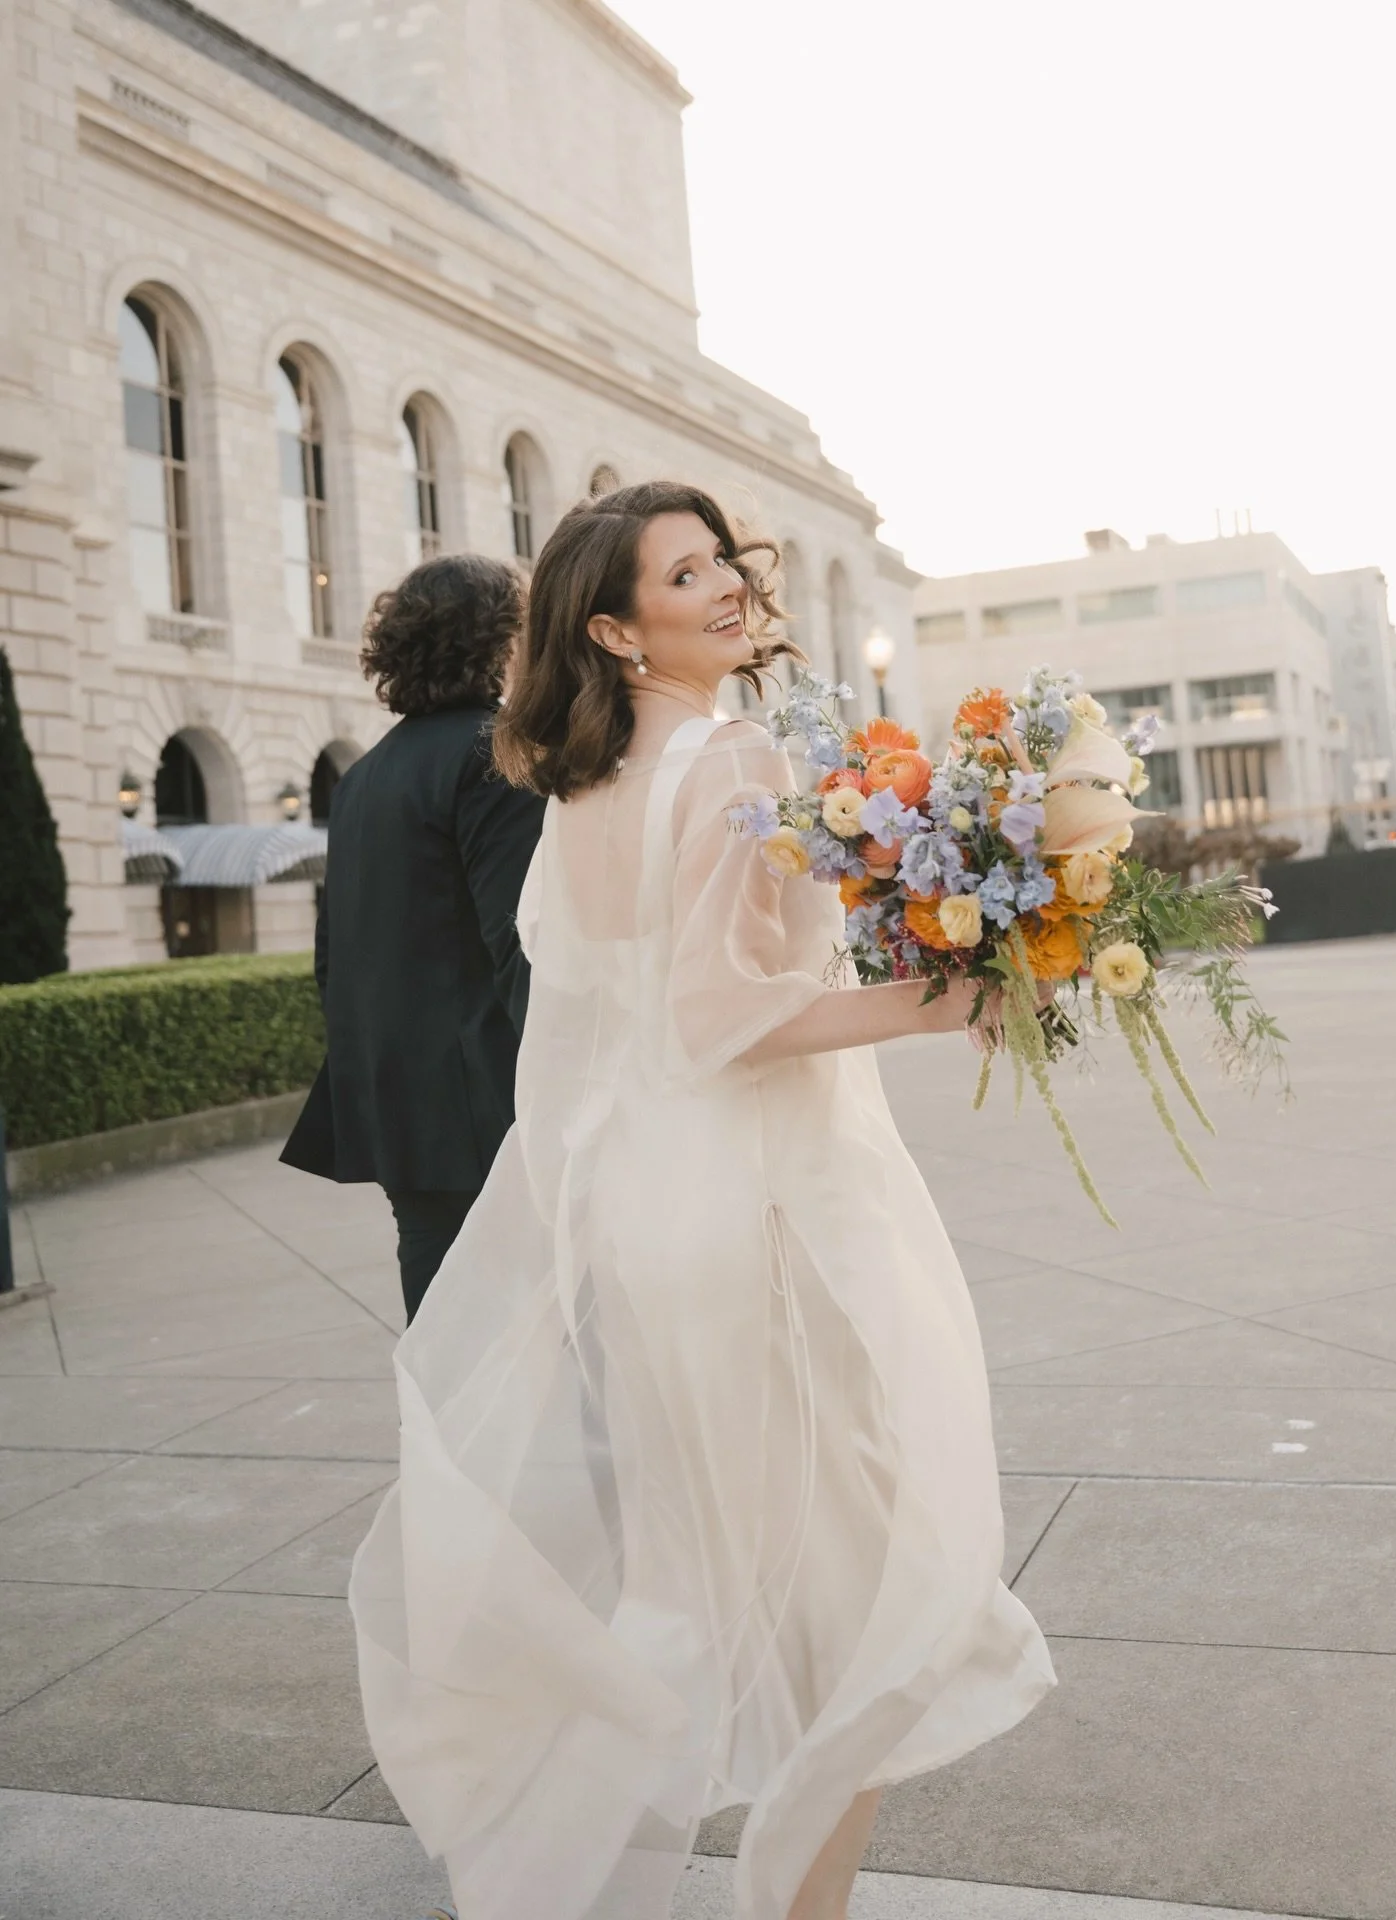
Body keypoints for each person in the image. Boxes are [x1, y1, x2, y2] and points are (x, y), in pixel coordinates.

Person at [349, 483, 1055, 1920]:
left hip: (640, 1213)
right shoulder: (729, 754)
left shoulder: (588, 781)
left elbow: (605, 1011)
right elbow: (727, 1013)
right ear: (616, 628)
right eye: (686, 572)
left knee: (706, 1583)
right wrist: (943, 1000)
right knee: (858, 1593)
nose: (727, 583)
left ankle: (577, 1843)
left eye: (722, 556)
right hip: (745, 1208)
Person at [281, 553, 545, 1323]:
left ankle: (439, 1443)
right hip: (489, 1097)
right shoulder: (495, 753)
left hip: (394, 1095)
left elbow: (333, 955)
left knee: (440, 1326)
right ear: (499, 641)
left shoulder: (363, 775)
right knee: (538, 1337)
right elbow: (521, 941)